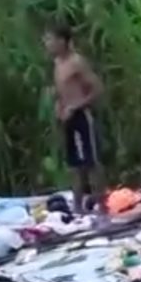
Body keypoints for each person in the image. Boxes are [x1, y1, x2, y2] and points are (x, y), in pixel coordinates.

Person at [43, 22, 107, 214]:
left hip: (81, 116)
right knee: (75, 165)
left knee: (91, 163)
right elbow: (64, 91)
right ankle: (78, 208)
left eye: (50, 39)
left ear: (62, 41)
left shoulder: (76, 62)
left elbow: (97, 89)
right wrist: (60, 105)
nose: (47, 44)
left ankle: (103, 207)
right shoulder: (57, 63)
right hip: (67, 117)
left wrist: (76, 106)